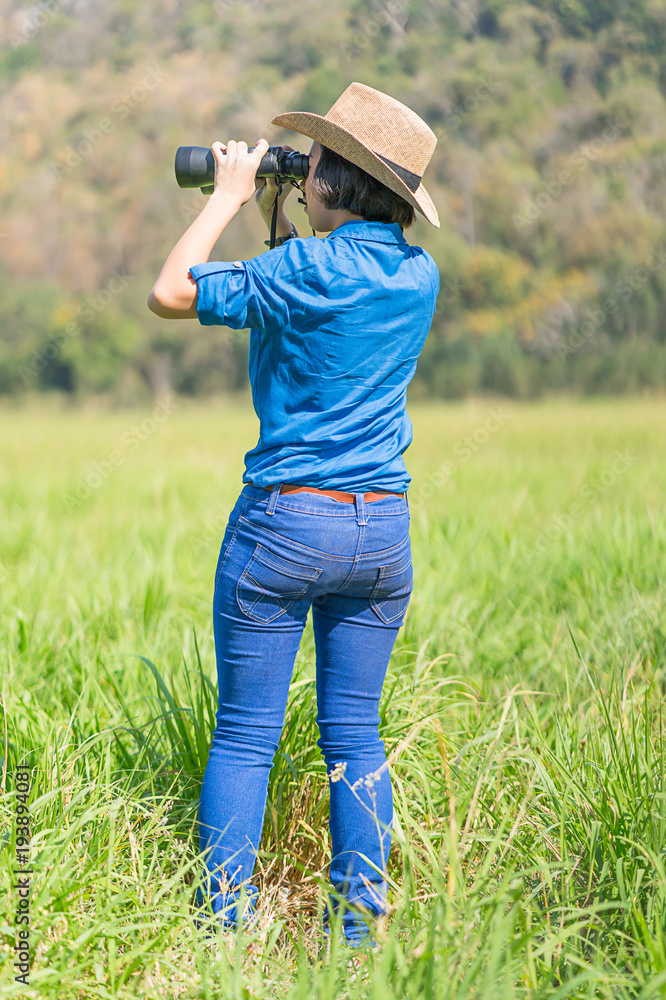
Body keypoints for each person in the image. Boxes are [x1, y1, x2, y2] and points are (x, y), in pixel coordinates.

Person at [148, 82, 440, 945]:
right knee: (355, 734)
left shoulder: (302, 270)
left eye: (310, 162)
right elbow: (315, 297)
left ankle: (226, 934)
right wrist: (288, 209)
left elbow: (171, 291)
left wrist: (231, 196)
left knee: (246, 737)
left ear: (331, 178)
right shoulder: (419, 276)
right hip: (381, 531)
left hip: (287, 522)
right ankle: (357, 934)